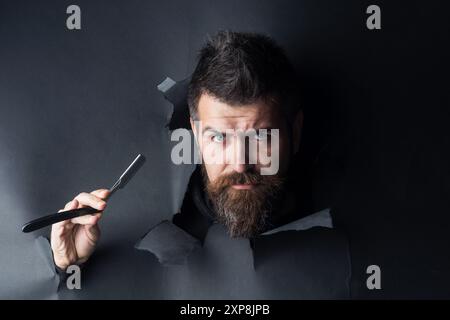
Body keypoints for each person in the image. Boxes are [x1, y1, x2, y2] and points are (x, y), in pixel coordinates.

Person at [47, 31, 351, 299]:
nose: (239, 162)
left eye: (260, 137)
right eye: (218, 137)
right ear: (195, 133)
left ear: (294, 132)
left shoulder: (340, 235)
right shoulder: (159, 230)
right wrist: (67, 269)